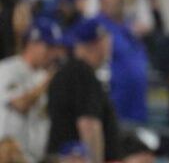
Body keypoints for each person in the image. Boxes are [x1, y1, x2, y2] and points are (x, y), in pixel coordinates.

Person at [47, 19, 120, 163]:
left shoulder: (70, 71)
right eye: (107, 40)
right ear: (98, 44)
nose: (109, 45)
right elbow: (88, 124)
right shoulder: (82, 72)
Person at [0, 18, 63, 162]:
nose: (53, 53)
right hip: (8, 156)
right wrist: (47, 81)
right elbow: (21, 104)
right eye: (49, 47)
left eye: (55, 48)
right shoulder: (8, 69)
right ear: (32, 43)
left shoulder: (42, 75)